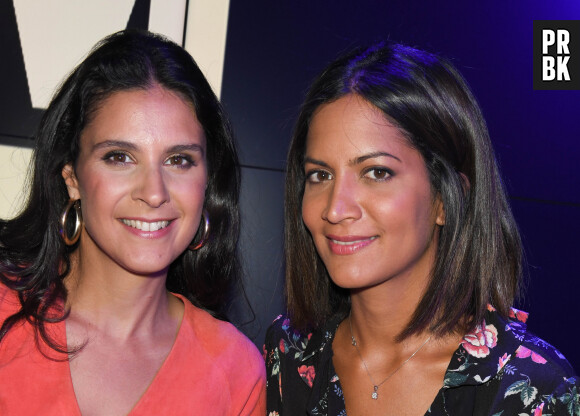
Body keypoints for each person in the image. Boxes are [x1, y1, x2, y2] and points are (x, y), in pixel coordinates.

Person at [264, 43, 579, 415]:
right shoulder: (289, 350)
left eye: (376, 172)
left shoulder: (534, 388)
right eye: (320, 175)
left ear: (446, 199)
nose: (335, 208)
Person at [0, 29, 265, 415]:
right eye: (120, 157)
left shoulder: (236, 370)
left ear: (207, 183)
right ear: (72, 177)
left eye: (179, 160)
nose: (154, 192)